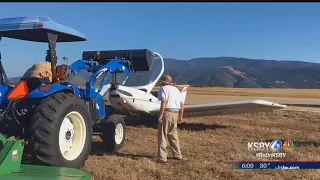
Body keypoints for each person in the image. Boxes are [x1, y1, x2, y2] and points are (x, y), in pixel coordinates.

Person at [156, 75, 185, 163]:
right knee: (173, 135)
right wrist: (180, 116)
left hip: (167, 113)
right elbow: (182, 104)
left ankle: (162, 157)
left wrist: (161, 114)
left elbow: (164, 101)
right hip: (175, 113)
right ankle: (177, 155)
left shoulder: (163, 89)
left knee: (162, 135)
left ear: (163, 82)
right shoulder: (176, 90)